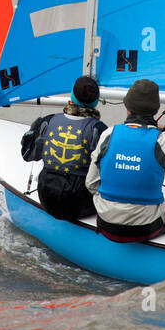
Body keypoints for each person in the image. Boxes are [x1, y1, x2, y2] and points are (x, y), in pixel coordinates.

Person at [86, 79, 165, 242]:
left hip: (107, 224)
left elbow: (91, 183)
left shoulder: (108, 134)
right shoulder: (163, 141)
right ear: (155, 110)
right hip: (145, 228)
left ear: (127, 107)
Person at [21, 75, 107, 221]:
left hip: (46, 198)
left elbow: (28, 155)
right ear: (96, 101)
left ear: (71, 97)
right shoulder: (99, 130)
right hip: (80, 206)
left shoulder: (48, 121)